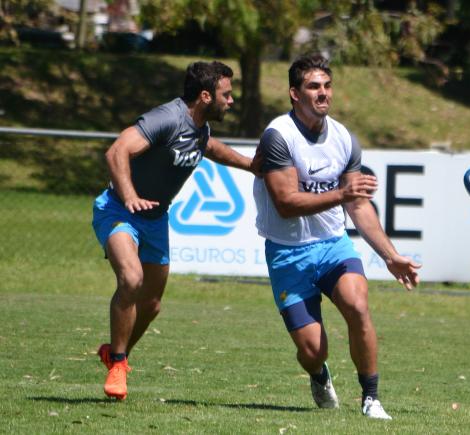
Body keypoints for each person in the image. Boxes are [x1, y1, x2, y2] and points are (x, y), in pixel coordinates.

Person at [252, 53, 421, 420]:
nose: (323, 93)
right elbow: (286, 203)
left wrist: (390, 255)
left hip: (333, 246)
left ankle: (371, 398)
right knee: (313, 350)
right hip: (287, 253)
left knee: (358, 306)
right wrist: (342, 195)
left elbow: (358, 208)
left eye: (327, 86)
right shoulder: (278, 136)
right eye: (314, 86)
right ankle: (318, 373)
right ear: (294, 94)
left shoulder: (344, 138)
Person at [92, 61, 260, 400]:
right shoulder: (166, 118)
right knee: (131, 280)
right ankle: (120, 364)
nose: (231, 100)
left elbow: (210, 147)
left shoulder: (199, 128)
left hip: (156, 219)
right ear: (205, 96)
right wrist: (130, 196)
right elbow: (117, 151)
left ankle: (115, 352)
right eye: (226, 95)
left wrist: (252, 166)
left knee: (151, 305)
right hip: (119, 211)